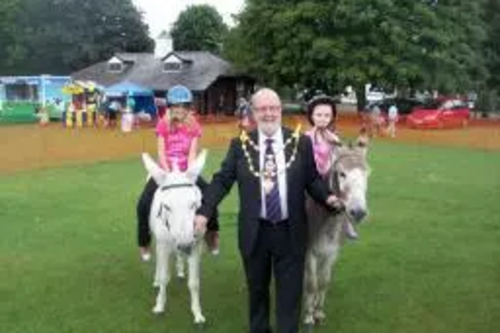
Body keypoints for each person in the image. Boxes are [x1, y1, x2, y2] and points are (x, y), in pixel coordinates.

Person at [194, 88, 341, 333]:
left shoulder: (300, 143)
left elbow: (312, 180)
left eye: (274, 108)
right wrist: (204, 210)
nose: (269, 113)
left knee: (290, 295)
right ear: (253, 113)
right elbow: (221, 180)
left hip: (291, 231)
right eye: (262, 109)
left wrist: (329, 198)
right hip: (255, 233)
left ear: (280, 111)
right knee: (258, 292)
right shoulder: (240, 146)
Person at [136, 85, 220, 261]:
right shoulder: (163, 124)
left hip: (186, 171)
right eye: (176, 106)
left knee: (210, 197)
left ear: (189, 107)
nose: (180, 109)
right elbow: (161, 152)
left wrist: (188, 174)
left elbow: (192, 154)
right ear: (170, 107)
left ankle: (211, 235)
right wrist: (168, 175)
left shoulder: (194, 127)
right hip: (165, 171)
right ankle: (144, 243)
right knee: (143, 204)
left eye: (183, 106)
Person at [306, 95, 359, 240]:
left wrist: (336, 144)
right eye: (319, 115)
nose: (323, 118)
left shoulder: (333, 138)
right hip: (311, 176)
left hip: (327, 174)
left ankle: (346, 223)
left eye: (327, 115)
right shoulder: (307, 137)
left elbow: (338, 156)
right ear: (312, 116)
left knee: (343, 190)